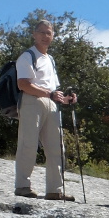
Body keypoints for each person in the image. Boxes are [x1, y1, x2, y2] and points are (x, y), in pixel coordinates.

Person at [14, 19, 77, 201]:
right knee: (28, 144)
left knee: (56, 147)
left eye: (48, 33)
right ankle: (22, 185)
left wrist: (66, 99)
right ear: (34, 35)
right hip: (32, 101)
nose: (45, 36)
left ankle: (55, 190)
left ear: (53, 36)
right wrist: (49, 94)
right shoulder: (27, 56)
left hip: (51, 104)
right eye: (41, 32)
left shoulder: (50, 59)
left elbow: (54, 88)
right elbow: (23, 84)